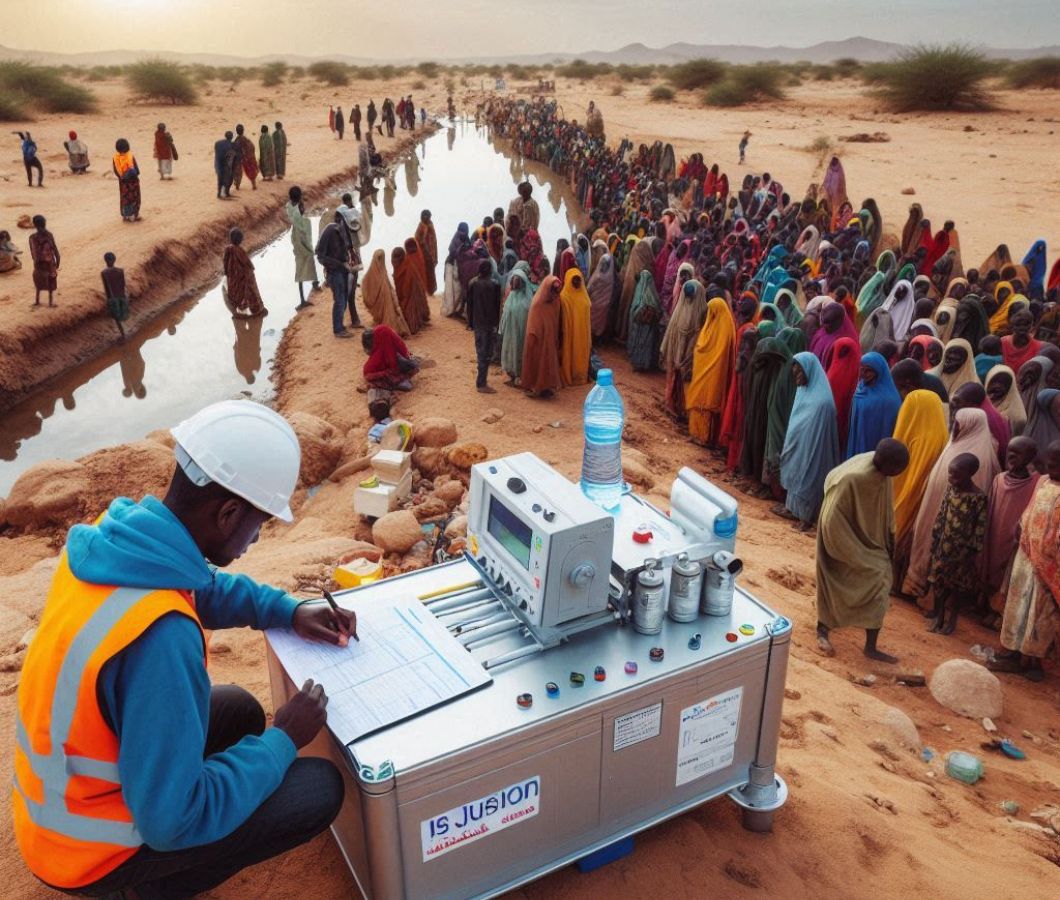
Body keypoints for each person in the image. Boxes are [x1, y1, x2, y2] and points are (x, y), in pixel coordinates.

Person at [12, 400, 350, 897]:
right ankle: (145, 889)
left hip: (62, 799)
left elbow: (202, 586)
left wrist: (288, 610)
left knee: (237, 709)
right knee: (318, 790)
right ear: (229, 512)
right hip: (87, 851)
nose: (257, 538)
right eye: (260, 523)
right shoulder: (160, 638)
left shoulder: (118, 543)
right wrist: (283, 739)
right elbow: (174, 820)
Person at [815, 438, 910, 663]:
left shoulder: (880, 472)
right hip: (839, 538)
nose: (899, 473)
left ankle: (870, 644)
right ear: (888, 464)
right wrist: (850, 550)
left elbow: (882, 510)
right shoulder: (855, 478)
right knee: (874, 576)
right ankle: (826, 629)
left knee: (877, 575)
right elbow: (830, 517)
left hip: (864, 537)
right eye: (899, 469)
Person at [904, 407, 1000, 599]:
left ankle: (937, 602)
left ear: (970, 426)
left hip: (958, 534)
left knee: (950, 571)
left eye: (958, 425)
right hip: (939, 517)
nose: (954, 428)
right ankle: (917, 587)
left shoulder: (981, 456)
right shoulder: (954, 442)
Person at [993, 439, 1060, 682]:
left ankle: (1034, 661)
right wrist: (1020, 530)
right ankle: (1011, 653)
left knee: (1039, 615)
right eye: (1050, 464)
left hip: (1049, 567)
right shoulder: (1042, 481)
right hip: (1025, 558)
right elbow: (1029, 512)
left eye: (1057, 465)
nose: (1052, 469)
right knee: (1017, 608)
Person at [924, 453, 989, 634]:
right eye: (950, 474)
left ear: (970, 473)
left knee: (957, 587)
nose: (951, 478)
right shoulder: (950, 490)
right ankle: (939, 616)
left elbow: (980, 526)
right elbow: (942, 513)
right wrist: (936, 536)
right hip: (943, 547)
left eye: (956, 474)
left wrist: (973, 550)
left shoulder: (978, 498)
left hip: (963, 552)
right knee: (938, 582)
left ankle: (952, 620)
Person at [979, 436, 1040, 628]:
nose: (1011, 456)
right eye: (1010, 452)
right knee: (990, 566)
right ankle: (986, 606)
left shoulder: (1035, 484)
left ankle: (999, 612)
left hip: (1014, 540)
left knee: (1007, 572)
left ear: (1030, 457)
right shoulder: (999, 479)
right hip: (995, 533)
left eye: (1018, 453)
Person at [780, 352, 840, 530]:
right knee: (797, 471)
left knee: (809, 476)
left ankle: (806, 518)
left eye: (799, 372)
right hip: (800, 444)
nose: (796, 376)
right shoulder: (803, 391)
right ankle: (793, 509)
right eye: (794, 372)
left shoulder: (822, 402)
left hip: (814, 449)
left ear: (810, 371)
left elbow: (818, 437)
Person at [846, 352, 902, 458]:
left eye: (868, 371)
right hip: (857, 438)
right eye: (861, 369)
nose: (862, 374)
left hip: (874, 443)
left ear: (878, 372)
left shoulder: (889, 399)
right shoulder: (860, 388)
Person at [521, 276, 563, 398]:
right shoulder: (538, 303)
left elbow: (555, 321)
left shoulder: (555, 302)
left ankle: (546, 387)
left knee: (548, 363)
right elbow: (533, 325)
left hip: (549, 340)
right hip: (537, 340)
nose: (555, 294)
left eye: (557, 291)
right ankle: (533, 386)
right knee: (535, 362)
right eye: (553, 290)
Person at [315, 211, 354, 338]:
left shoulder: (343, 230)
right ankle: (338, 329)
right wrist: (339, 264)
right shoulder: (330, 231)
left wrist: (351, 258)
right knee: (340, 300)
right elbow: (320, 256)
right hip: (334, 272)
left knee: (343, 299)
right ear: (340, 219)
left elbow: (347, 248)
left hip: (343, 270)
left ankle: (340, 326)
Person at [467, 259, 502, 393]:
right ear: (490, 271)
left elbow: (469, 306)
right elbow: (496, 306)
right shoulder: (495, 285)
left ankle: (481, 381)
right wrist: (496, 324)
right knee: (486, 353)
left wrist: (470, 323)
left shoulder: (472, 283)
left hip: (477, 323)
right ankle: (481, 383)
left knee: (481, 352)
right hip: (489, 324)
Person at [360, 248, 410, 337]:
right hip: (382, 305)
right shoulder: (380, 275)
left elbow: (365, 285)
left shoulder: (378, 274)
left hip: (382, 305)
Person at [498, 269, 533, 386]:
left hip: (521, 334)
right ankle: (512, 375)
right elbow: (505, 314)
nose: (514, 283)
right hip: (510, 333)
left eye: (517, 281)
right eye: (513, 281)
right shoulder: (511, 296)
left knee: (519, 352)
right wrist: (502, 329)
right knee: (511, 352)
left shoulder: (527, 301)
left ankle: (519, 375)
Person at [285, 186, 318, 309]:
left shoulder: (289, 206)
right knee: (306, 261)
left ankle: (312, 286)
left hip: (296, 237)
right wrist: (309, 247)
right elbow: (301, 225)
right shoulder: (298, 209)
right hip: (301, 237)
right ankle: (303, 298)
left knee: (301, 264)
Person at [559, 268, 593, 387]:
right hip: (569, 334)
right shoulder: (564, 297)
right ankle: (571, 376)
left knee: (581, 356)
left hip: (582, 335)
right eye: (574, 280)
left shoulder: (584, 297)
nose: (577, 283)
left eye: (579, 280)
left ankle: (581, 376)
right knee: (570, 354)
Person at [223, 228, 267, 318]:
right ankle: (255, 311)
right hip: (241, 278)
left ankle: (237, 313)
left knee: (231, 294)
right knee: (249, 290)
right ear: (241, 240)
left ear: (230, 239)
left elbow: (225, 265)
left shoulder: (228, 249)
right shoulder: (240, 251)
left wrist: (230, 275)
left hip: (232, 279)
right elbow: (248, 265)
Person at [363, 325, 419, 391]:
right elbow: (403, 348)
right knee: (404, 361)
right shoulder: (389, 333)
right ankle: (403, 379)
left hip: (398, 368)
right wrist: (408, 358)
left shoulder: (379, 349)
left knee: (369, 373)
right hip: (408, 364)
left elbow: (367, 373)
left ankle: (400, 381)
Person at [392, 243, 430, 335]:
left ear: (400, 258)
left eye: (395, 259)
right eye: (392, 258)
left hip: (411, 297)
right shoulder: (401, 266)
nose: (393, 261)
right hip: (405, 297)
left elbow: (406, 291)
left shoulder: (408, 268)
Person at [28, 215, 60, 307]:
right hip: (48, 263)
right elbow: (54, 248)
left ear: (35, 225)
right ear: (44, 223)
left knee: (39, 281)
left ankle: (38, 301)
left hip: (40, 263)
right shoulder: (48, 235)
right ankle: (50, 303)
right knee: (49, 281)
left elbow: (32, 252)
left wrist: (35, 260)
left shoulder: (32, 237)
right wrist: (57, 260)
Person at [101, 252, 130, 341]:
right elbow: (123, 284)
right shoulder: (120, 270)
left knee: (117, 318)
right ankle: (125, 332)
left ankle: (123, 335)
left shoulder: (104, 273)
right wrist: (125, 295)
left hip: (113, 297)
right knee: (123, 314)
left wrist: (108, 300)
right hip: (121, 295)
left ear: (105, 260)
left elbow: (107, 288)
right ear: (114, 260)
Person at [112, 139, 142, 222]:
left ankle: (126, 215)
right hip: (133, 182)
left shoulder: (115, 158)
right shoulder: (130, 156)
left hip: (123, 183)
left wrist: (122, 177)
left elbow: (116, 171)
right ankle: (134, 214)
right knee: (135, 197)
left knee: (125, 199)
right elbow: (137, 171)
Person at [415, 210, 439, 295]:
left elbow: (434, 241)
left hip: (430, 254)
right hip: (422, 253)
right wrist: (423, 246)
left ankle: (430, 291)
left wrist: (435, 255)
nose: (424, 217)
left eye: (426, 216)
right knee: (422, 272)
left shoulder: (431, 225)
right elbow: (417, 239)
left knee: (430, 272)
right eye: (423, 216)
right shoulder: (421, 226)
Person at [233, 124, 258, 191]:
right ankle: (253, 185)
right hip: (248, 157)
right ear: (243, 130)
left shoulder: (237, 140)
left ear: (236, 131)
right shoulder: (246, 139)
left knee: (237, 172)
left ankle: (237, 186)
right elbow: (252, 147)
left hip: (241, 158)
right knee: (251, 170)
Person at [213, 130, 237, 199]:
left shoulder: (218, 143)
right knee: (228, 179)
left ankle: (219, 194)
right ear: (232, 137)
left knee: (220, 179)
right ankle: (226, 193)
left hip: (217, 163)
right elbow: (231, 156)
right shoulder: (231, 145)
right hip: (225, 165)